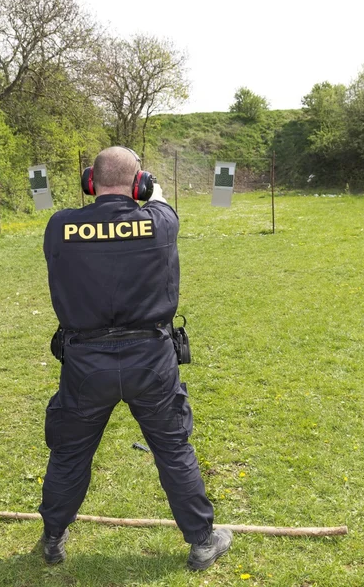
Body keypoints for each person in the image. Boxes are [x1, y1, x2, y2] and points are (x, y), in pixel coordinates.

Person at [39, 146, 232, 570]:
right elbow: (160, 204)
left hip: (85, 361)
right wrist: (152, 189)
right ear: (139, 182)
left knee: (70, 453)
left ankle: (53, 537)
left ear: (90, 181)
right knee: (172, 448)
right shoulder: (160, 221)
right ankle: (202, 540)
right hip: (150, 358)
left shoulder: (60, 226)